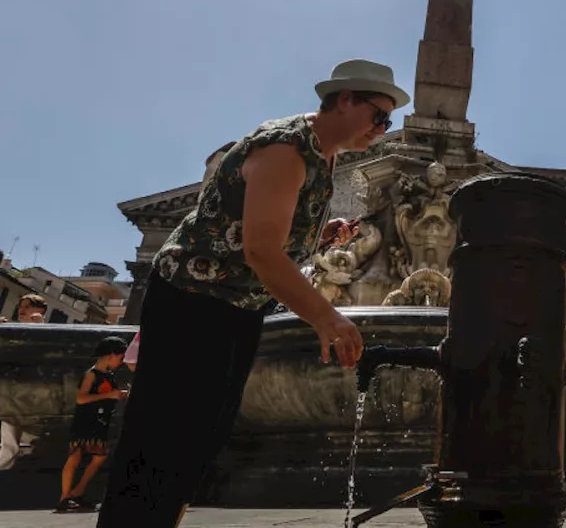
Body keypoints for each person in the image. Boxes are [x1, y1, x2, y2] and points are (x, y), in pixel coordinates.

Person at [97, 59, 409, 527]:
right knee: (165, 431)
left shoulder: (323, 153)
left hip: (235, 302)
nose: (383, 130)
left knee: (202, 433)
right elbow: (262, 251)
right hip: (194, 296)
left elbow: (267, 233)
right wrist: (327, 317)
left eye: (388, 122)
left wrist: (321, 237)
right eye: (380, 116)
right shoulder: (285, 149)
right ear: (345, 100)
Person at [57, 336, 129, 513]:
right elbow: (81, 398)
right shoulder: (91, 374)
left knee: (98, 457)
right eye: (120, 358)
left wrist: (118, 395)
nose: (121, 362)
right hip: (86, 420)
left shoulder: (108, 375)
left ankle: (76, 493)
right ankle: (65, 497)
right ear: (111, 355)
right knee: (75, 456)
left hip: (99, 421)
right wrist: (110, 395)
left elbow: (108, 394)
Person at [0, 294, 49, 471]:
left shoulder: (48, 333)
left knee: (24, 438)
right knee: (9, 438)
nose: (23, 309)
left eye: (28, 306)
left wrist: (39, 327)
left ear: (41, 310)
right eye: (21, 306)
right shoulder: (12, 328)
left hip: (31, 395)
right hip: (11, 392)